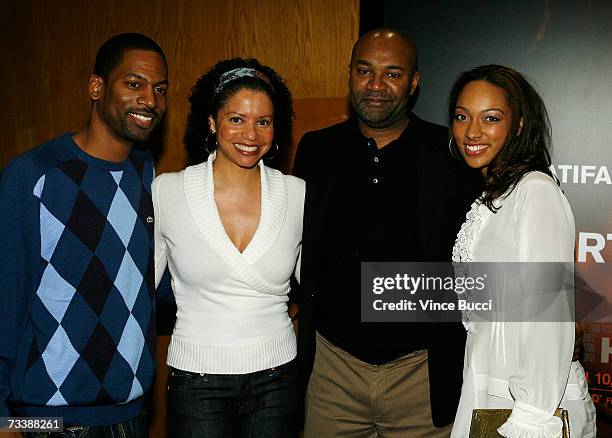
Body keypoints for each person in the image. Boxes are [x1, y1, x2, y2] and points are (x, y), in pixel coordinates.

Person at [293, 28, 480, 437]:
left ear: (413, 83)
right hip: (331, 373)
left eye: (392, 74)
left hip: (421, 376)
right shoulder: (316, 150)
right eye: (365, 71)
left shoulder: (450, 153)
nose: (376, 86)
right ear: (350, 74)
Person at [0, 33, 168, 437]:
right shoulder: (33, 175)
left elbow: (150, 287)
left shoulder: (147, 176)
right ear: (97, 87)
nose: (150, 100)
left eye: (159, 89)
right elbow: (6, 298)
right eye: (134, 83)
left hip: (131, 415)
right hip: (46, 420)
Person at [153, 58, 303, 438]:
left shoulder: (297, 194)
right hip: (196, 381)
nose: (251, 134)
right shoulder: (167, 192)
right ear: (211, 122)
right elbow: (138, 288)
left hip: (278, 378)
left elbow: (323, 282)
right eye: (236, 119)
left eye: (263, 122)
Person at [448, 64, 596, 437]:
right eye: (462, 116)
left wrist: (531, 418)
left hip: (527, 401)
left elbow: (550, 314)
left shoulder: (535, 191)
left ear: (519, 125)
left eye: (491, 118)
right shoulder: (494, 193)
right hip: (489, 381)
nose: (472, 131)